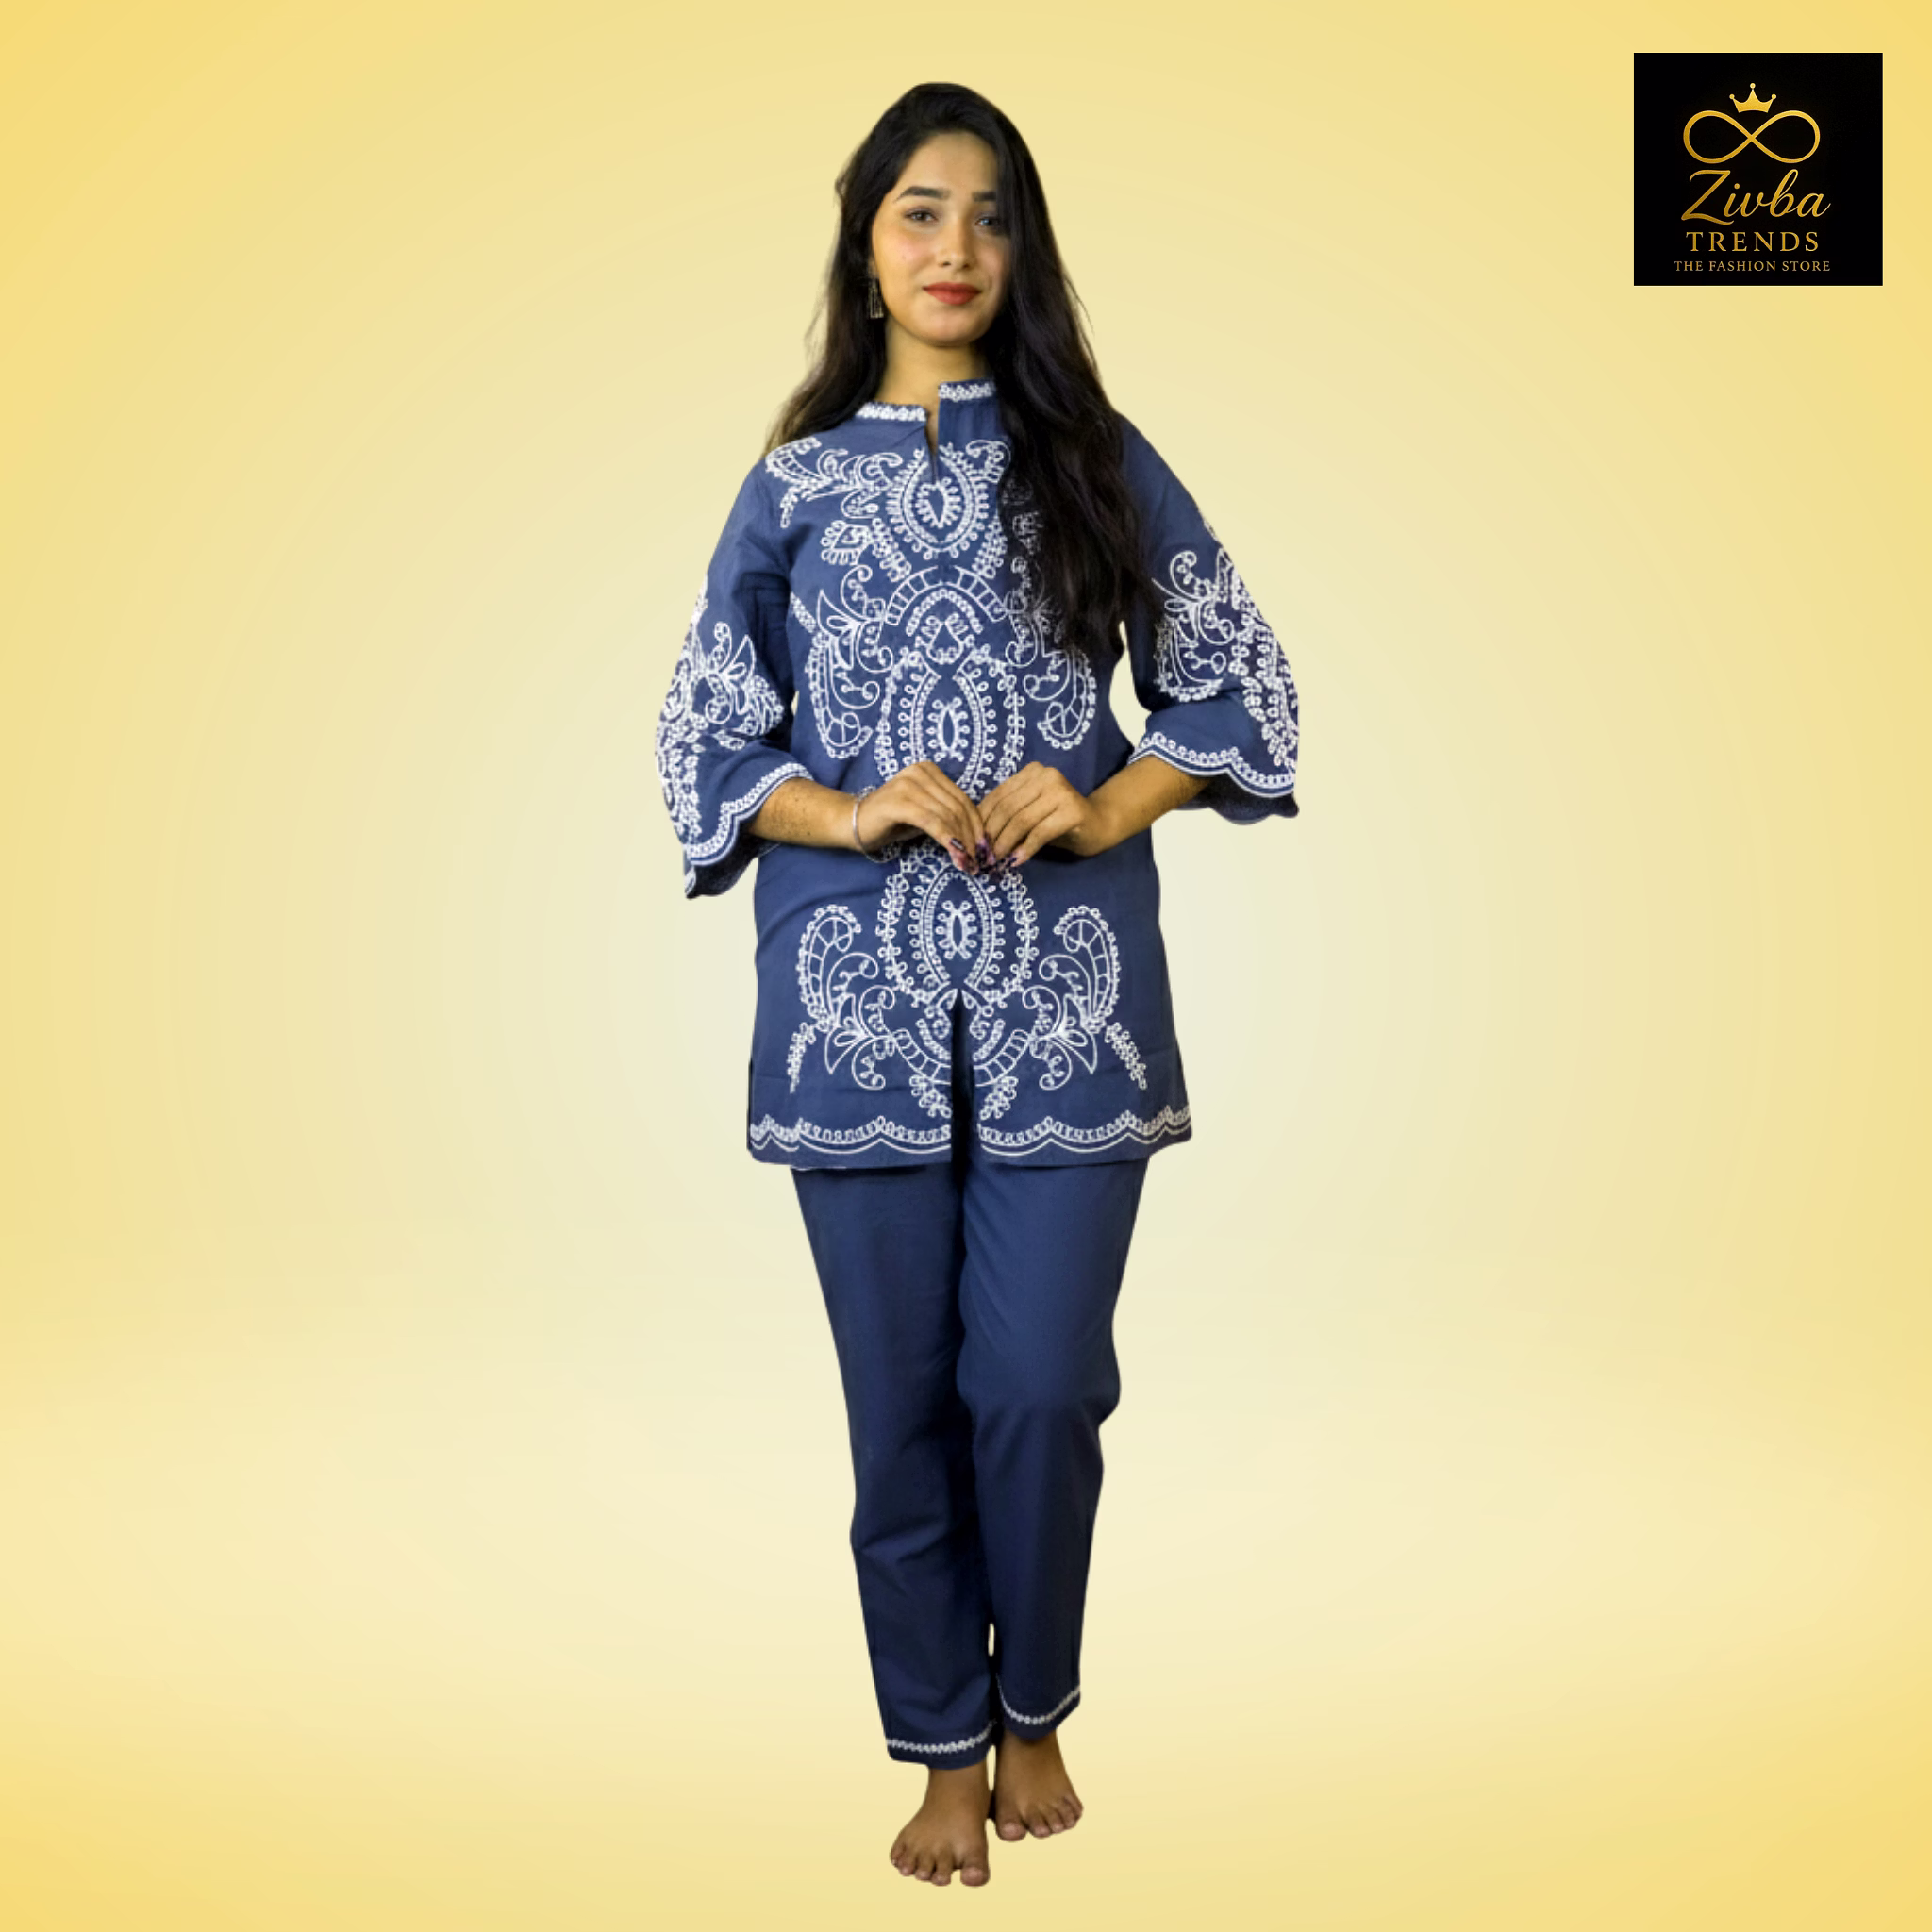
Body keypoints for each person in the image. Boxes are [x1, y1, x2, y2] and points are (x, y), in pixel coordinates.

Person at [655, 80, 1299, 1887]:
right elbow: (704, 730)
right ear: (865, 246)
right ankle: (946, 1744)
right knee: (901, 1412)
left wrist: (1107, 800)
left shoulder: (1093, 457)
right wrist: (848, 809)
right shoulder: (793, 485)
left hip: (1064, 1003)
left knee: (1038, 1384)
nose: (958, 248)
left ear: (1025, 253)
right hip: (851, 1009)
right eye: (922, 213)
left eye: (993, 216)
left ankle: (1038, 1703)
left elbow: (1239, 677)